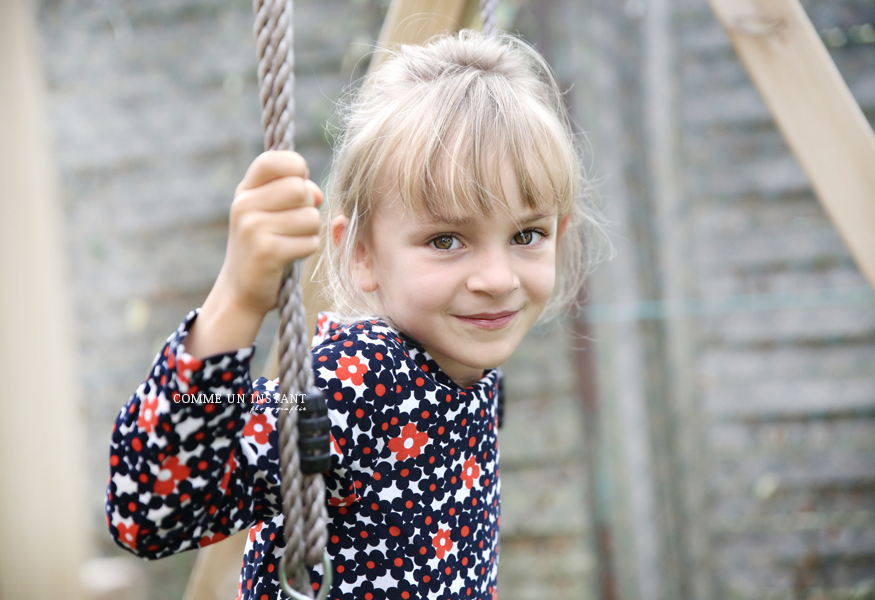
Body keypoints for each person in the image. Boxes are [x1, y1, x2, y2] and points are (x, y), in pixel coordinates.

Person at [107, 30, 604, 600]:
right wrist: (238, 299)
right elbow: (152, 512)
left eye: (526, 234)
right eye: (445, 240)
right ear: (361, 254)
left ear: (560, 234)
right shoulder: (356, 380)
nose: (497, 279)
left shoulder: (464, 377)